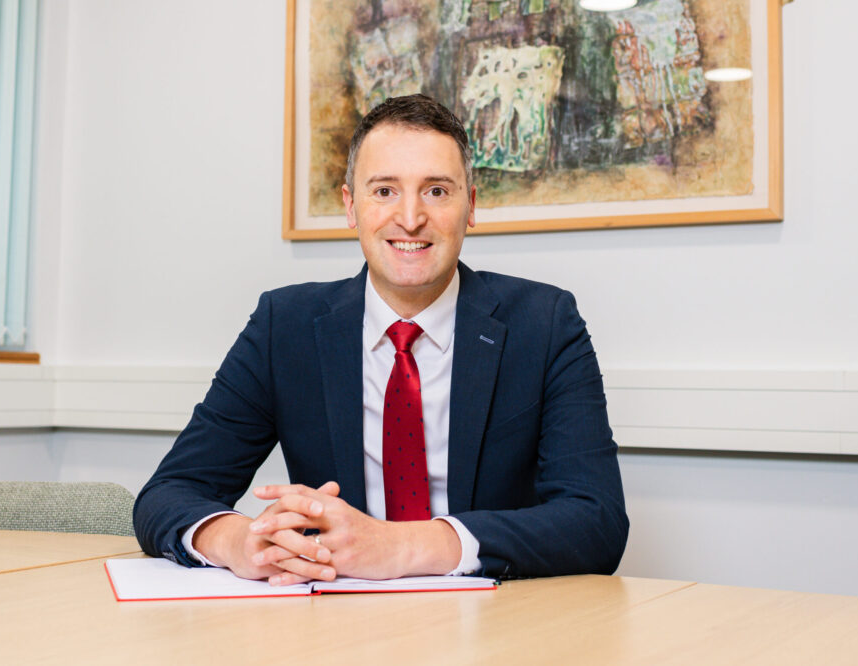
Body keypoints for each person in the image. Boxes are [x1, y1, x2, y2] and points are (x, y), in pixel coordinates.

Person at [134, 94, 628, 585]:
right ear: (350, 205)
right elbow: (168, 493)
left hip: (493, 626)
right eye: (384, 191)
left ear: (470, 205)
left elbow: (597, 521)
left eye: (436, 191)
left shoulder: (545, 323)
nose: (410, 218)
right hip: (333, 624)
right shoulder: (283, 324)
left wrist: (402, 546)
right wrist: (240, 541)